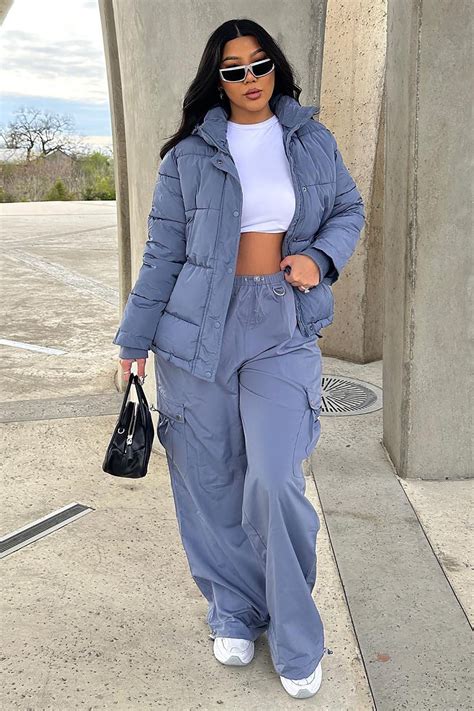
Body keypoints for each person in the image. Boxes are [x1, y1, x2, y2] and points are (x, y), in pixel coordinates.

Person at [114, 18, 365, 700]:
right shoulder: (187, 157)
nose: (250, 79)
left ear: (275, 67)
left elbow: (348, 208)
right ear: (217, 80)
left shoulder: (310, 139)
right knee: (212, 481)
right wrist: (134, 342)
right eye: (234, 70)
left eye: (259, 65)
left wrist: (320, 258)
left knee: (275, 480)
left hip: (280, 322)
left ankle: (295, 633)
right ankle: (233, 607)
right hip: (196, 329)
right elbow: (162, 254)